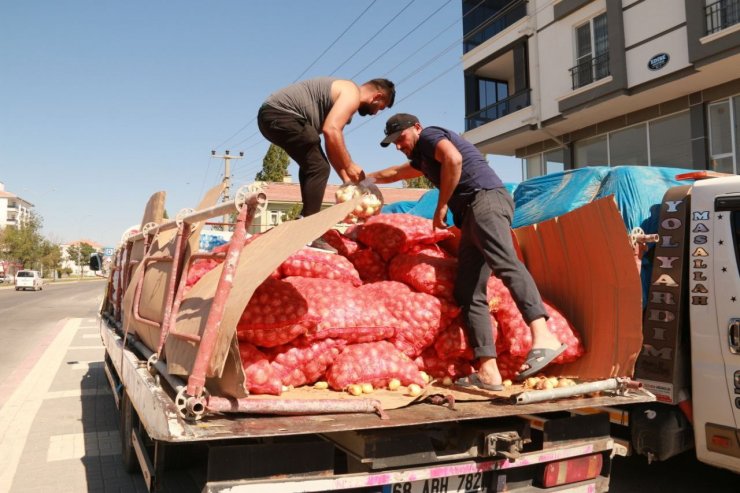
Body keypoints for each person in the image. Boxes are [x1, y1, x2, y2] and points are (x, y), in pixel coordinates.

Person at [369, 113, 566, 390]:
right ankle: (488, 371)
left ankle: (544, 336)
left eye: (400, 138)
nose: (399, 145)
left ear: (416, 127)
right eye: (394, 142)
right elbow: (394, 173)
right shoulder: (423, 159)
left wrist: (442, 204)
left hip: (485, 199)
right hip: (471, 214)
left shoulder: (429, 135)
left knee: (505, 263)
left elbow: (454, 159)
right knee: (468, 290)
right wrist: (364, 180)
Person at [258, 77, 396, 250]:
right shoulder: (351, 93)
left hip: (272, 116)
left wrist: (347, 181)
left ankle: (305, 224)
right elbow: (331, 130)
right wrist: (350, 164)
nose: (375, 113)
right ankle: (308, 230)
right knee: (318, 166)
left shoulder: (344, 103)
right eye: (379, 108)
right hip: (281, 114)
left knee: (313, 164)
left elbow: (332, 144)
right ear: (377, 96)